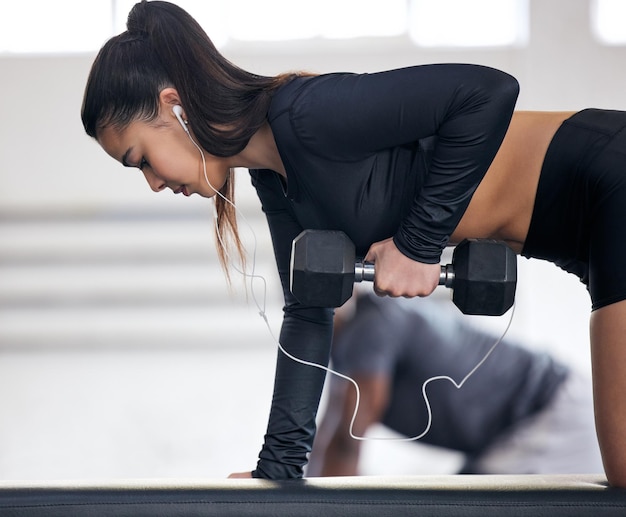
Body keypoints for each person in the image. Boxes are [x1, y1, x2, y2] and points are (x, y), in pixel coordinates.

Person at [79, 1, 626, 487]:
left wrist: (416, 243)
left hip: (609, 178)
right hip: (586, 240)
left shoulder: (306, 114)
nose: (152, 182)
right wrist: (280, 469)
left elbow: (488, 91)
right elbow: (308, 310)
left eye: (141, 159)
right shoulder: (276, 178)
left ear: (174, 106)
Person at [306, 291, 604, 477]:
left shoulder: (371, 326)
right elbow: (329, 439)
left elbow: (347, 442)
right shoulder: (347, 354)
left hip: (552, 414)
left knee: (457, 503)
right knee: (455, 496)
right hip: (513, 432)